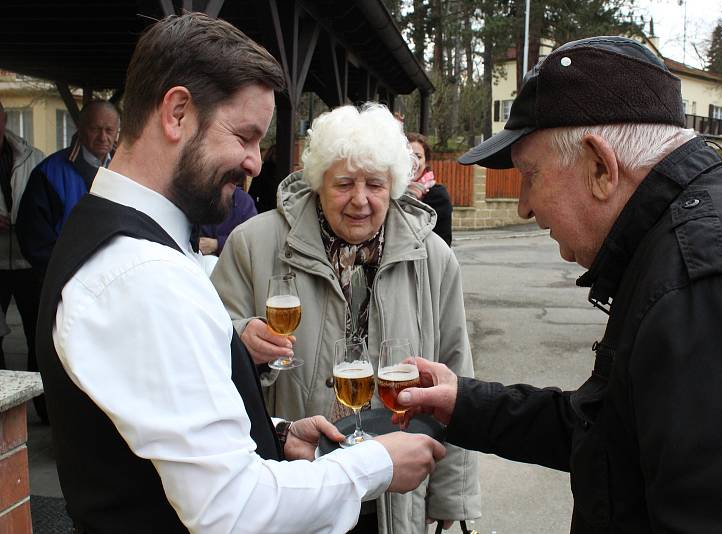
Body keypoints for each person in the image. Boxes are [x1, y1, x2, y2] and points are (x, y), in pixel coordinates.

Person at [36, 13, 445, 533]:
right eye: (246, 136)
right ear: (177, 112)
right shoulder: (141, 275)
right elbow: (233, 510)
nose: (256, 162)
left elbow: (161, 424)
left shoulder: (123, 241)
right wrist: (376, 464)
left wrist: (274, 434)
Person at [397, 36, 722, 532]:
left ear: (600, 167)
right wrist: (465, 403)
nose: (523, 206)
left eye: (530, 174)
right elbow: (610, 432)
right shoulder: (693, 238)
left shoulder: (705, 286)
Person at [211, 103, 480, 533]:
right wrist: (243, 340)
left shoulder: (433, 258)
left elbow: (456, 374)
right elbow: (206, 347)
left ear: (393, 185)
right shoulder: (253, 244)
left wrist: (453, 492)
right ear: (318, 183)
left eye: (375, 184)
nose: (360, 199)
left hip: (395, 495)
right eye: (343, 184)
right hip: (294, 488)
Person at [16, 99, 119, 280]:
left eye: (109, 130)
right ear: (80, 128)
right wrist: (68, 274)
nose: (103, 137)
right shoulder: (48, 173)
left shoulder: (129, 172)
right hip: (65, 281)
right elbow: (33, 238)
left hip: (115, 278)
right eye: (95, 129)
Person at [0, 99, 44, 371]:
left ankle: (43, 409)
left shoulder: (33, 157)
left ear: (4, 121)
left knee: (38, 336)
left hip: (28, 263)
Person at [406, 132, 453, 246]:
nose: (413, 161)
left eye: (418, 156)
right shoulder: (387, 192)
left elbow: (441, 243)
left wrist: (409, 201)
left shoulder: (437, 195)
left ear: (426, 162)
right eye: (407, 155)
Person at [199, 178, 257, 256]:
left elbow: (250, 241)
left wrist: (218, 244)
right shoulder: (200, 191)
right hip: (192, 256)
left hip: (226, 261)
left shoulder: (245, 203)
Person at [247, 144, 279, 213]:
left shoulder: (283, 171)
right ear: (271, 155)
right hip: (266, 212)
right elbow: (252, 194)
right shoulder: (263, 171)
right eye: (276, 154)